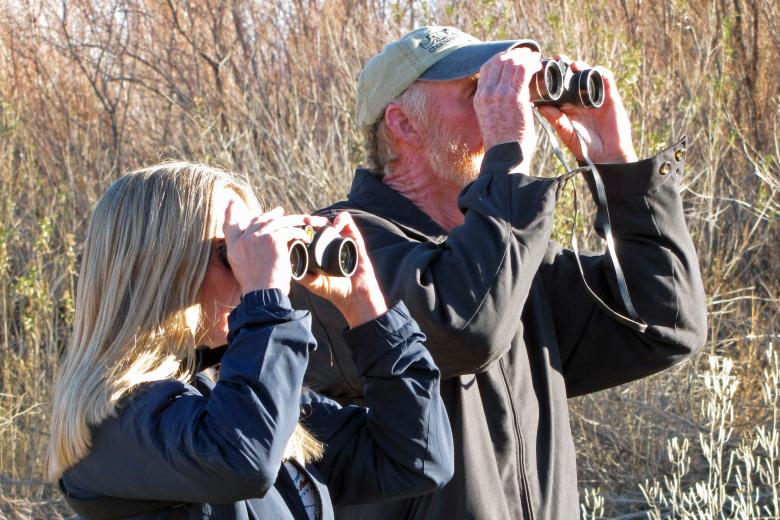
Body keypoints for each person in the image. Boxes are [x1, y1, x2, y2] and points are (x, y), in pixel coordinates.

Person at [290, 26, 708, 519]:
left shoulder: (505, 250)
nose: (504, 103)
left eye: (502, 89)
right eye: (478, 90)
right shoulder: (338, 254)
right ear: (403, 124)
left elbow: (666, 323)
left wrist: (617, 165)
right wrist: (507, 154)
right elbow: (468, 329)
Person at [47, 162, 454, 519]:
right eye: (232, 252)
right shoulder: (113, 420)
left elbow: (416, 457)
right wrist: (264, 299)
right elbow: (243, 456)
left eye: (253, 250)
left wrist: (366, 308)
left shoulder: (235, 394)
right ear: (163, 269)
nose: (250, 269)